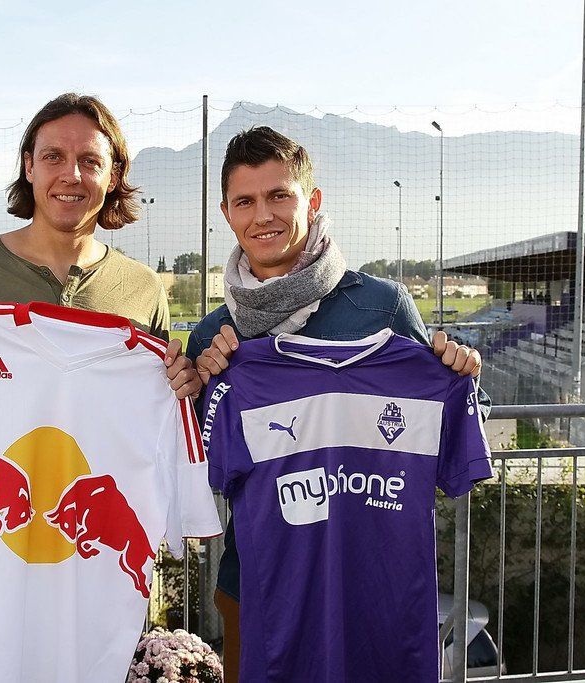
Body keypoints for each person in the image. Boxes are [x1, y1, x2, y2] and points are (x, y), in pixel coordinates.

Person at [186, 126, 485, 680]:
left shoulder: (381, 305)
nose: (263, 216)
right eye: (245, 202)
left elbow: (451, 421)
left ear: (312, 200)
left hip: (375, 581)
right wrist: (200, 387)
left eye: (280, 195)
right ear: (226, 213)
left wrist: (461, 373)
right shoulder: (214, 337)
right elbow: (203, 461)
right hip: (259, 587)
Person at [0, 93, 201, 423]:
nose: (71, 175)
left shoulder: (144, 288)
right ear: (29, 166)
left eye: (90, 161)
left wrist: (185, 388)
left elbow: (157, 416)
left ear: (113, 176)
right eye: (53, 157)